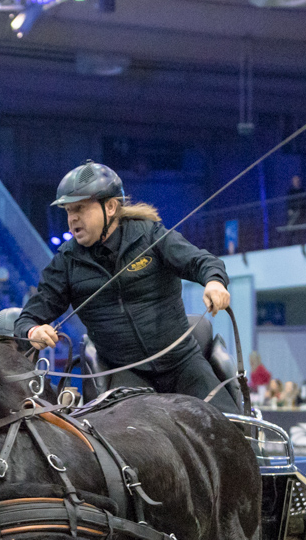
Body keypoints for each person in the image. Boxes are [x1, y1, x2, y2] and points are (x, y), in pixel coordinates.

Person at [18, 161, 233, 404]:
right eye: (68, 210)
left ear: (110, 207)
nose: (72, 218)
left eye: (80, 208)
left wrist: (214, 282)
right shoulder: (65, 262)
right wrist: (33, 330)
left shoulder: (150, 235)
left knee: (231, 428)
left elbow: (201, 262)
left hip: (183, 362)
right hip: (125, 373)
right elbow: (28, 318)